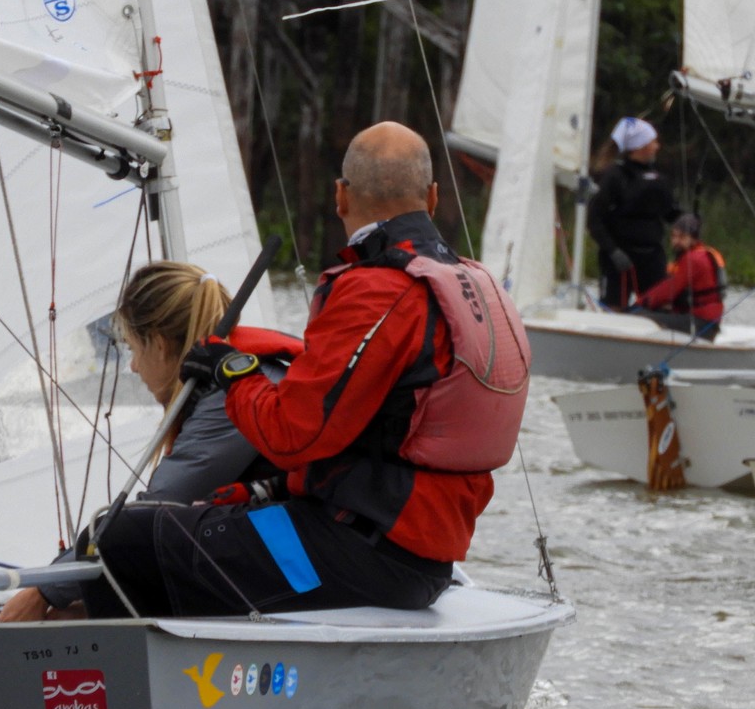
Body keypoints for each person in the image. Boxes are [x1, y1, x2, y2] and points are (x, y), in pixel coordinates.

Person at [48, 121, 530, 621]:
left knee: (123, 537)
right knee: (200, 524)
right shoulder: (477, 285)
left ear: (341, 197)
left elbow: (292, 435)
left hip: (360, 556)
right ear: (432, 198)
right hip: (426, 560)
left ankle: (97, 674)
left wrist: (232, 371)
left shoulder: (379, 290)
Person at [0, 260, 302, 621]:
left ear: (157, 344)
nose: (134, 367)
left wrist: (44, 589)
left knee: (130, 535)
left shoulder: (231, 396)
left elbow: (157, 507)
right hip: (285, 551)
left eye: (132, 349)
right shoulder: (237, 377)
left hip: (300, 567)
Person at [588, 117, 680, 309]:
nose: (657, 146)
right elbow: (594, 219)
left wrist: (687, 220)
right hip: (619, 258)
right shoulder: (615, 176)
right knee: (614, 307)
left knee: (659, 308)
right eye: (653, 142)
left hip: (651, 256)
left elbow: (670, 213)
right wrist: (613, 251)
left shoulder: (658, 178)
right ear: (640, 146)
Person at [630, 213, 726, 340]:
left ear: (694, 239)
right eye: (674, 236)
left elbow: (669, 290)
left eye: (682, 237)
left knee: (639, 316)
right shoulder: (694, 255)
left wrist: (639, 304)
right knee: (649, 312)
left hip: (700, 324)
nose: (676, 241)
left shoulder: (693, 260)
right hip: (702, 321)